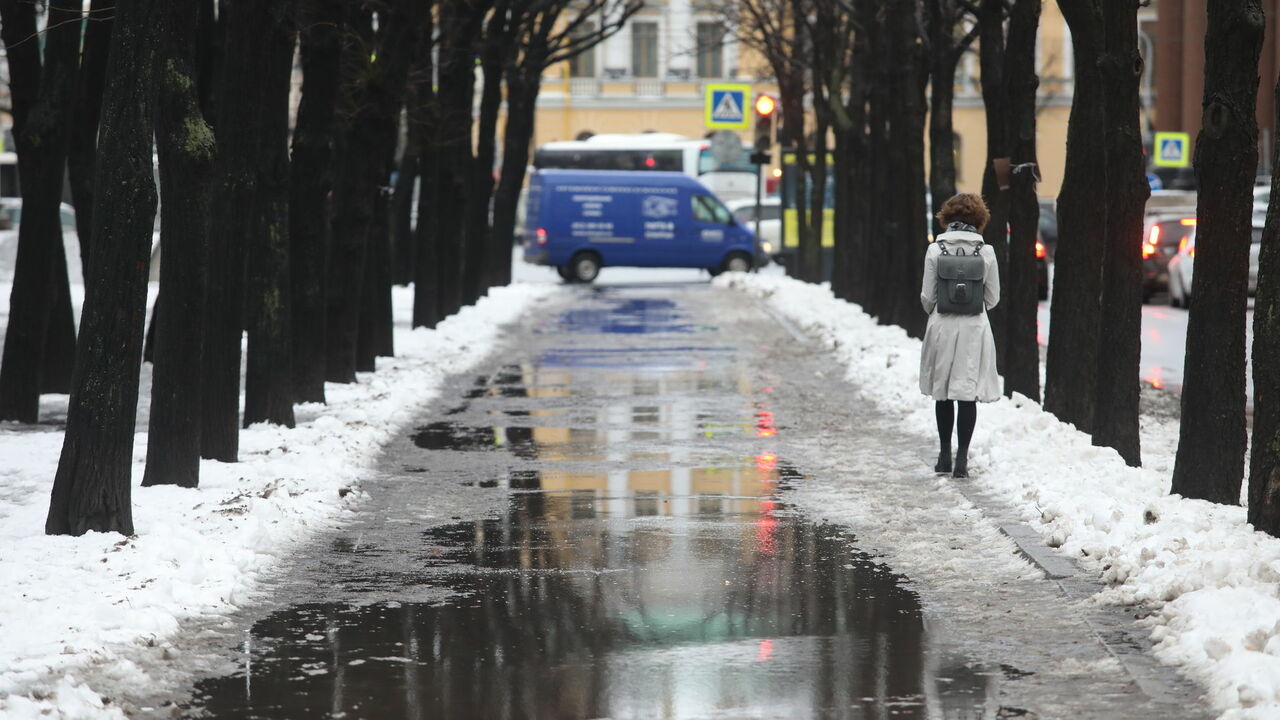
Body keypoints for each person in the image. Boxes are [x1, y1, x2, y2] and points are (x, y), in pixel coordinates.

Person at [919, 193, 1000, 479]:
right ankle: (962, 459)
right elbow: (992, 299)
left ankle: (944, 454)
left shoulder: (935, 250)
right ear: (979, 220)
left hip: (942, 326)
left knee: (943, 393)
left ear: (947, 218)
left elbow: (928, 297)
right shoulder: (986, 252)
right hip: (974, 329)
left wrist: (939, 308)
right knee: (967, 393)